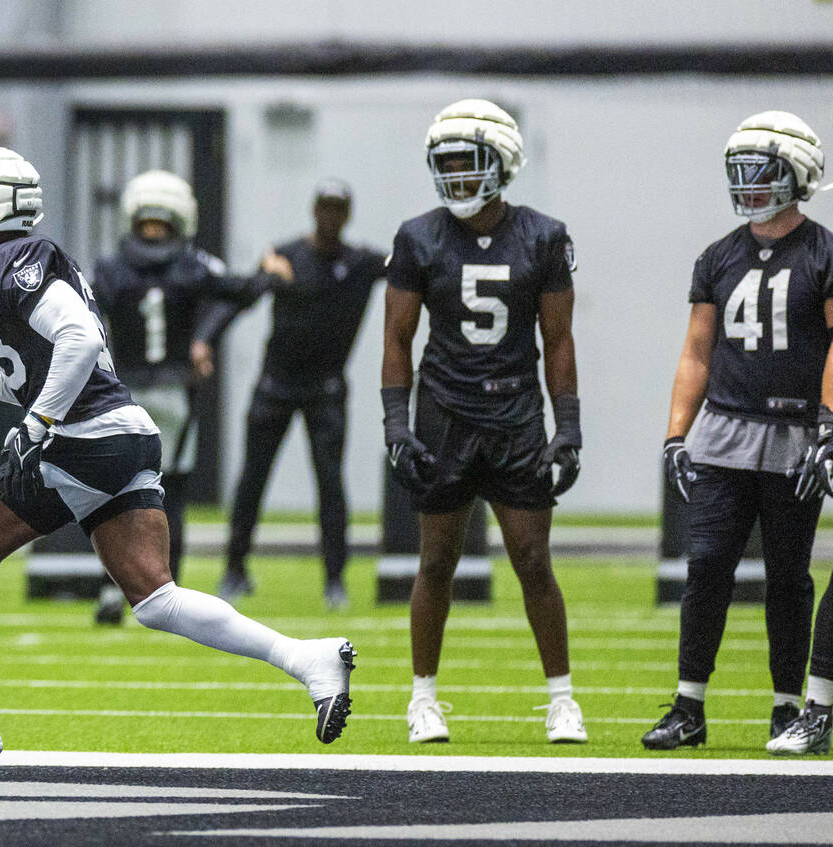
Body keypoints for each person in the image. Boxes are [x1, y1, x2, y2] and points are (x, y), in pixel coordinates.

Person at [0, 146, 355, 764]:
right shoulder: (10, 263)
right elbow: (52, 369)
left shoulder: (9, 258)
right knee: (156, 599)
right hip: (124, 429)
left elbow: (80, 340)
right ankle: (308, 659)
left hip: (86, 437)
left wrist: (38, 424)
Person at [381, 99, 587, 745]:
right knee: (436, 559)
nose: (456, 180)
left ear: (503, 163)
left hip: (517, 412)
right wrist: (395, 420)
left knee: (532, 558)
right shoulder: (418, 235)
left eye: (467, 166)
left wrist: (569, 424)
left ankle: (562, 699)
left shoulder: (544, 234)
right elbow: (397, 336)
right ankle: (423, 698)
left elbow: (558, 339)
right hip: (443, 411)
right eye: (445, 167)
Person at [645, 110, 831, 751]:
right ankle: (687, 706)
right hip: (723, 432)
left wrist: (829, 425)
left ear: (799, 173)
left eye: (764, 170)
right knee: (706, 569)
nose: (750, 183)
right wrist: (676, 434)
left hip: (794, 436)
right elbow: (696, 352)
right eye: (742, 170)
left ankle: (787, 708)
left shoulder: (825, 251)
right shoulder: (718, 255)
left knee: (788, 577)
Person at [89, 169, 291, 624]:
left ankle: (109, 589)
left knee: (113, 494)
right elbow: (241, 291)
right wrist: (268, 274)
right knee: (168, 495)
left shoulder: (110, 267)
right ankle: (165, 588)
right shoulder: (191, 266)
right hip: (175, 394)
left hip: (121, 394)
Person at [220, 179, 388, 610]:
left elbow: (410, 267)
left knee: (330, 483)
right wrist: (205, 339)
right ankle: (235, 569)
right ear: (314, 211)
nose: (330, 217)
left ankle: (335, 579)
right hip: (275, 385)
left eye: (338, 209)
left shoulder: (360, 262)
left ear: (346, 215)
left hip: (326, 389)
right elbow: (244, 296)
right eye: (324, 208)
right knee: (252, 479)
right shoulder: (285, 254)